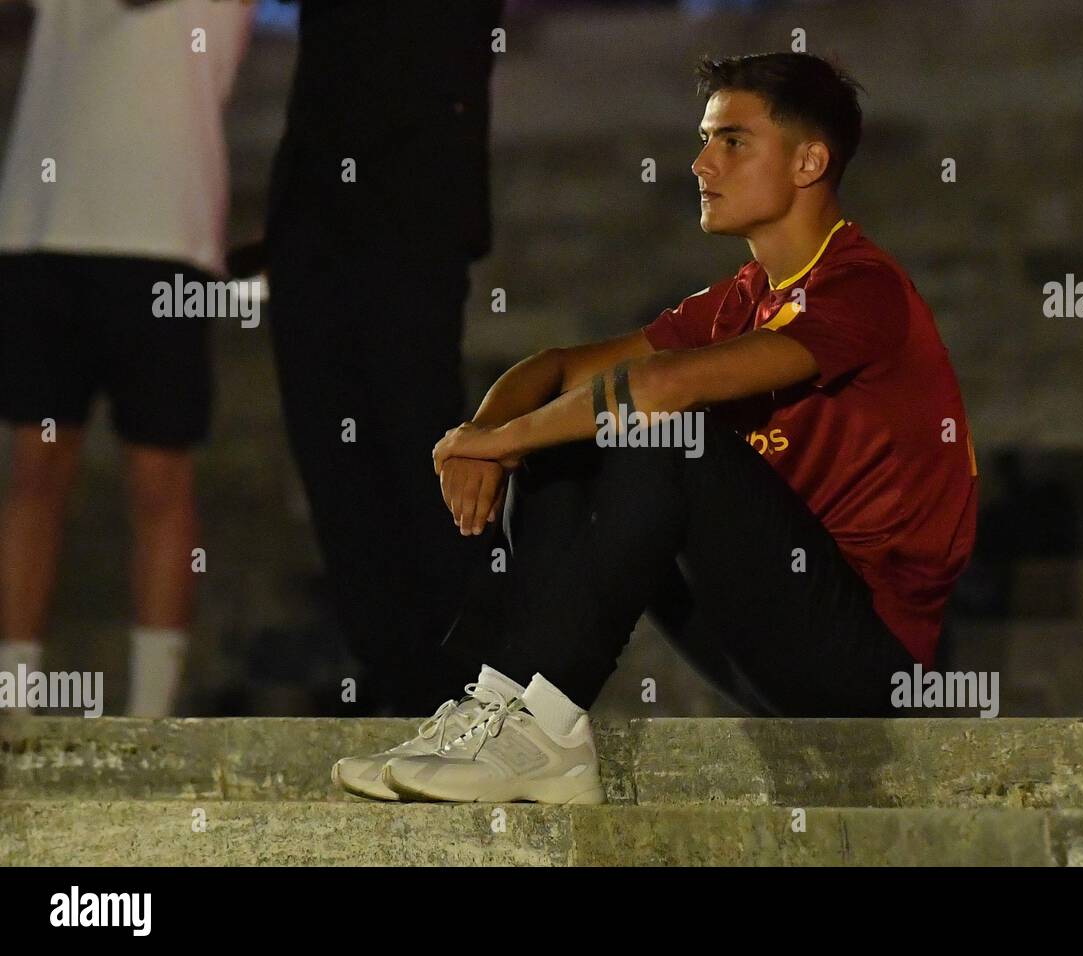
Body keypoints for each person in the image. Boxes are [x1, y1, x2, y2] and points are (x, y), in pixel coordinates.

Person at [332, 52, 978, 805]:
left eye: (732, 141)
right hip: (762, 642)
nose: (702, 162)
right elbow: (555, 366)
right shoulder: (737, 299)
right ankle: (504, 704)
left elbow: (662, 388)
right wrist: (485, 427)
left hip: (868, 670)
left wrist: (501, 444)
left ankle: (543, 728)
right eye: (705, 139)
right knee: (579, 433)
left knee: (667, 435)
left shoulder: (863, 288)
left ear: (809, 161)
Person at [0, 0, 254, 716]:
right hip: (40, 224)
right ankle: (13, 706)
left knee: (158, 475)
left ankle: (152, 717)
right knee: (34, 470)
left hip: (162, 230)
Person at [264, 0, 504, 715]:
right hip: (312, 217)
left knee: (415, 436)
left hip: (412, 204)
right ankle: (393, 674)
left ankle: (461, 684)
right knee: (329, 449)